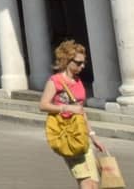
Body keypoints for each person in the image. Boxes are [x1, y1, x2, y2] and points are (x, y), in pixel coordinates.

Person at [40, 39, 105, 187]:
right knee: (86, 183)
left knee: (94, 182)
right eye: (78, 62)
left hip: (81, 134)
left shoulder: (78, 81)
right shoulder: (55, 81)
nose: (82, 66)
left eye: (83, 63)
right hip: (68, 135)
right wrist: (66, 108)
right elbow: (43, 105)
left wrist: (93, 136)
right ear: (66, 60)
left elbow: (81, 111)